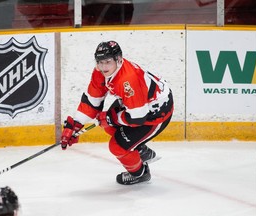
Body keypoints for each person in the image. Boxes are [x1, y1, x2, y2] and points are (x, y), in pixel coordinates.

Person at [61, 40, 174, 185]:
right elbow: (92, 101)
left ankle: (140, 173)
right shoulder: (100, 71)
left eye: (107, 62)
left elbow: (138, 118)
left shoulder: (128, 80)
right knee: (107, 124)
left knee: (117, 146)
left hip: (156, 113)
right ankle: (139, 149)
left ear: (119, 60)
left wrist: (111, 118)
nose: (103, 67)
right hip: (135, 105)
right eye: (100, 62)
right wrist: (75, 125)